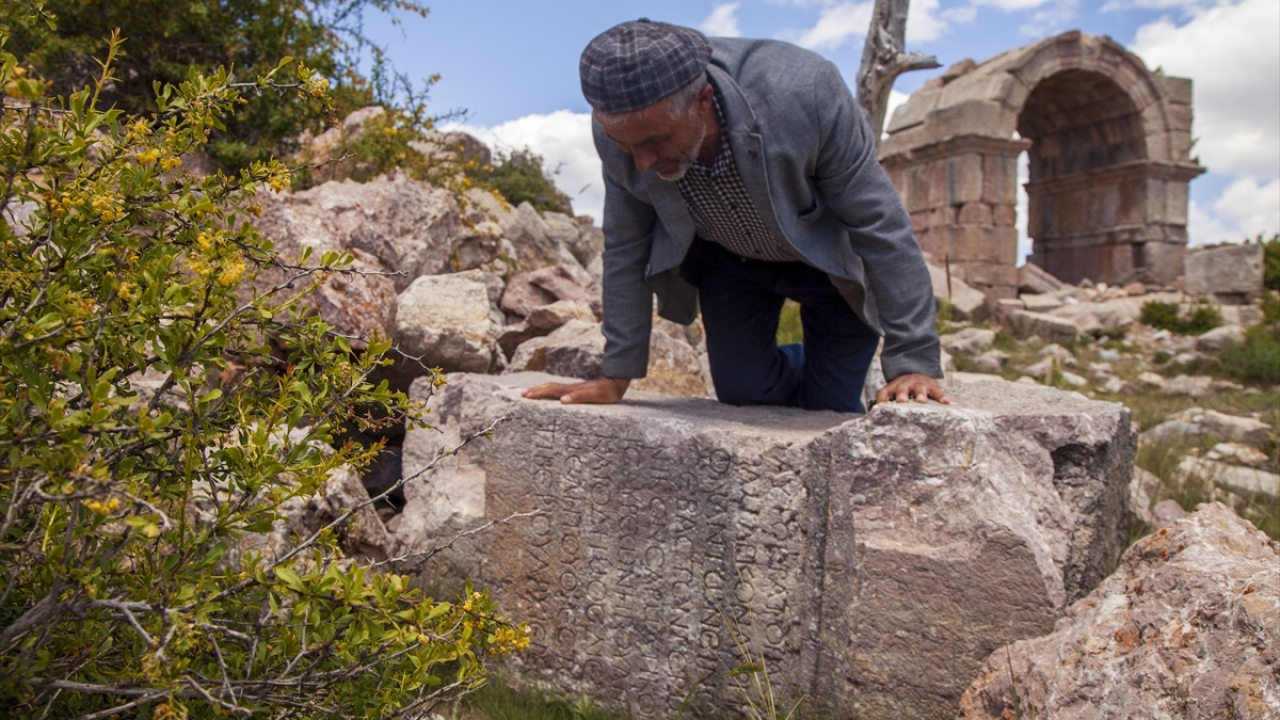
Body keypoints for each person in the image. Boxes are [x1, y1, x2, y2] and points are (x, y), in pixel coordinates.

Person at [524, 19, 948, 412]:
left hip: (830, 264)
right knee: (745, 395)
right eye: (625, 144)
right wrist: (615, 375)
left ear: (703, 101)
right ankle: (803, 371)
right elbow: (625, 247)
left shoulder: (805, 94)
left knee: (829, 407)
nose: (641, 162)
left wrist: (913, 360)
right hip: (730, 260)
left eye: (655, 140)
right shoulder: (623, 134)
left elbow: (881, 226)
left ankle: (824, 372)